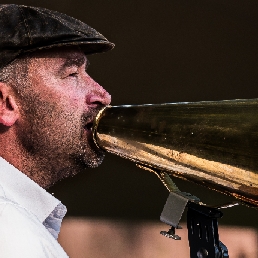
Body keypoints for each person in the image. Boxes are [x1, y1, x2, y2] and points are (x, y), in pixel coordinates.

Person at [0, 4, 114, 257]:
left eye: (86, 71)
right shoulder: (10, 230)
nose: (103, 96)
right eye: (72, 73)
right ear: (5, 104)